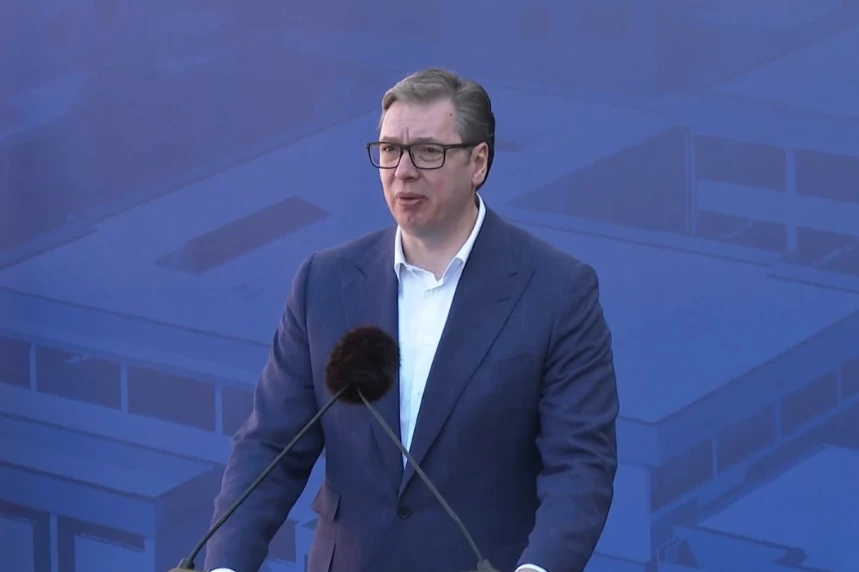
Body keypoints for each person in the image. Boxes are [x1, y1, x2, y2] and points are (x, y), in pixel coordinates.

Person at [205, 68, 619, 572]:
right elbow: (270, 446)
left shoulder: (558, 290)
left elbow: (580, 468)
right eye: (389, 150)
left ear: (478, 162)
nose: (402, 171)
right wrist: (225, 565)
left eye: (427, 151)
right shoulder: (324, 283)